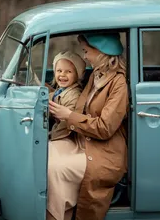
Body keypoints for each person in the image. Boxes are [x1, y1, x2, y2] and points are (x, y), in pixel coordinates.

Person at [48, 33, 128, 220]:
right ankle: (59, 213)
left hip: (105, 151)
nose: (84, 56)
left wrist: (68, 115)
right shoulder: (97, 75)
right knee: (46, 154)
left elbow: (105, 127)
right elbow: (79, 106)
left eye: (86, 51)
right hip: (84, 139)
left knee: (57, 168)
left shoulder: (119, 84)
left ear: (101, 52)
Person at [47, 51, 86, 220]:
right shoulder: (60, 90)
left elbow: (67, 125)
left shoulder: (73, 95)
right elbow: (52, 95)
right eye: (59, 71)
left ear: (77, 75)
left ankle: (55, 210)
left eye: (68, 72)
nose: (62, 75)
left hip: (67, 137)